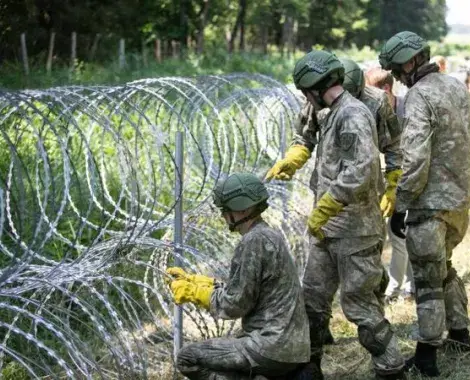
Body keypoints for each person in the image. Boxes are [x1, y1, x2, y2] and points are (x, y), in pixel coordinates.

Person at [266, 50, 406, 380]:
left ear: (314, 87)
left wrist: (328, 204)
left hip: (356, 229)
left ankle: (392, 369)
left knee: (360, 306)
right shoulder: (326, 109)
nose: (304, 98)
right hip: (327, 228)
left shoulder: (354, 114)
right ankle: (309, 367)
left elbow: (363, 169)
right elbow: (306, 137)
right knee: (312, 301)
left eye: (304, 91)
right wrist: (294, 158)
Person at [379, 31, 470, 377]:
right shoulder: (456, 86)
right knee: (444, 266)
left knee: (426, 280)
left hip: (430, 203)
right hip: (460, 199)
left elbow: (416, 159)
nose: (396, 78)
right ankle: (461, 333)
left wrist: (401, 203)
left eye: (396, 70)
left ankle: (426, 356)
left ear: (410, 62)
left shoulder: (419, 97)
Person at [167, 173, 315, 380]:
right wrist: (202, 282)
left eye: (225, 210)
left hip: (270, 346)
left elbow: (235, 304)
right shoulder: (268, 235)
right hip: (294, 346)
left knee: (187, 358)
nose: (223, 216)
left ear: (242, 209)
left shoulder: (253, 241)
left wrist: (196, 293)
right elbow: (249, 288)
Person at [365, 67, 415, 303]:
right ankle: (400, 287)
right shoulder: (378, 113)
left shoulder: (410, 110)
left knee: (403, 235)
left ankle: (403, 288)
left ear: (386, 89)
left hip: (414, 181)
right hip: (393, 183)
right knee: (397, 235)